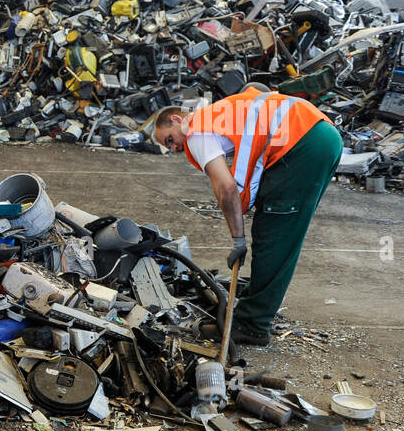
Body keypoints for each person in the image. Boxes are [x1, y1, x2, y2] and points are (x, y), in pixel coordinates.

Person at [147, 83, 343, 346]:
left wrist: (238, 240)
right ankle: (255, 303)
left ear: (176, 120)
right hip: (319, 132)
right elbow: (256, 88)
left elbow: (226, 188)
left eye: (169, 139)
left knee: (275, 233)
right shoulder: (221, 112)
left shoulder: (196, 132)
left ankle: (253, 325)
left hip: (302, 145)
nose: (173, 149)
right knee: (281, 228)